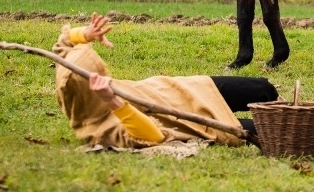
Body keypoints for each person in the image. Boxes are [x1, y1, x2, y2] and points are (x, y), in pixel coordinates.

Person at [53, 13, 279, 148]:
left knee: (262, 88)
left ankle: (289, 108)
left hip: (185, 89)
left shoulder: (68, 67)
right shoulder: (98, 128)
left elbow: (63, 43)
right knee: (271, 129)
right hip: (193, 121)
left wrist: (85, 34)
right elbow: (153, 137)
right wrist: (114, 103)